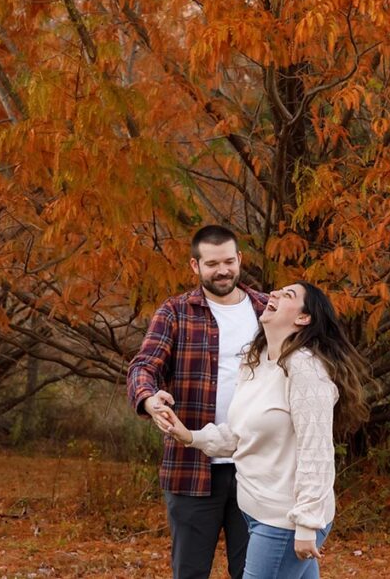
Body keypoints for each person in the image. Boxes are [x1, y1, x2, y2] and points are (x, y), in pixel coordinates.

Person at [159, 282, 369, 579]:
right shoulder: (255, 362)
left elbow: (317, 452)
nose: (275, 295)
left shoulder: (305, 369)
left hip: (285, 520)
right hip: (255, 513)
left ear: (303, 318)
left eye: (288, 296)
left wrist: (307, 523)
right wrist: (190, 436)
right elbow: (240, 434)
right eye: (277, 292)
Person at [127, 225, 268, 579]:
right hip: (192, 467)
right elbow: (143, 366)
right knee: (189, 572)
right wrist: (149, 400)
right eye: (212, 263)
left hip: (257, 467)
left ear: (240, 260)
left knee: (254, 572)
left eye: (228, 261)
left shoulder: (266, 310)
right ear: (195, 266)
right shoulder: (175, 312)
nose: (222, 270)